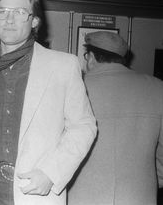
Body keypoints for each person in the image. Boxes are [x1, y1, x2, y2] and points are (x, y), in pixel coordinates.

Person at [0, 0, 97, 205]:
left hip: (35, 190)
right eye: (3, 11)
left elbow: (84, 126)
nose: (9, 19)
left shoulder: (62, 65)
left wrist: (52, 172)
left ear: (34, 20)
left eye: (19, 11)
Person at [68, 31, 163, 205]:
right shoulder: (158, 88)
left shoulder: (74, 88)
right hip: (139, 196)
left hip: (83, 196)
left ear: (90, 57)